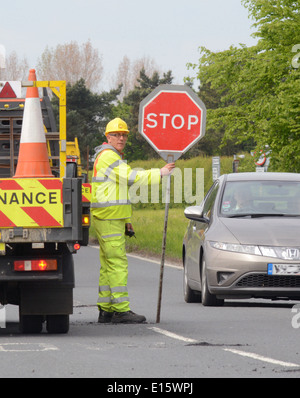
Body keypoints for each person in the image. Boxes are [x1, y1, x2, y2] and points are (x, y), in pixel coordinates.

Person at [91, 117, 175, 324]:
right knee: (117, 263)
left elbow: (117, 189)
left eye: (124, 135)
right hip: (109, 217)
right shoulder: (108, 157)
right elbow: (130, 178)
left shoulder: (111, 156)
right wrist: (160, 173)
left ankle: (106, 309)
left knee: (108, 264)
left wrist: (127, 220)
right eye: (116, 135)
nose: (121, 138)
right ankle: (121, 310)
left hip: (112, 217)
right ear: (108, 137)